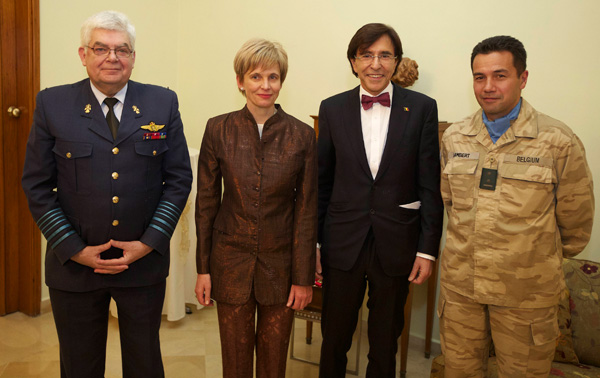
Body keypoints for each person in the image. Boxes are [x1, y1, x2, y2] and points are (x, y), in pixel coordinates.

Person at [21, 11, 192, 378]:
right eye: (101, 48)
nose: (112, 57)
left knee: (145, 364)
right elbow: (37, 185)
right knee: (80, 367)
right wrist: (75, 250)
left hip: (141, 267)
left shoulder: (162, 103)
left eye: (122, 50)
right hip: (75, 270)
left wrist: (147, 244)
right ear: (84, 54)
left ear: (133, 56)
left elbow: (177, 180)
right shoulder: (53, 104)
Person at [438, 35, 594, 378]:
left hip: (526, 295)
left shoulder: (557, 141)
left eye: (500, 75)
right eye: (480, 77)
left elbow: (576, 224)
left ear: (522, 79)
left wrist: (529, 256)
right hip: (463, 291)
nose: (488, 86)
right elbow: (450, 202)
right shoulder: (456, 137)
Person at [317, 23, 444, 377]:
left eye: (385, 55)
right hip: (342, 243)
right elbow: (321, 183)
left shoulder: (421, 109)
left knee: (385, 341)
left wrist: (426, 249)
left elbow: (429, 186)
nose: (376, 64)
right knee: (335, 340)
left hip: (397, 243)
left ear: (397, 62)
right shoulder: (331, 109)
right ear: (354, 62)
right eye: (367, 55)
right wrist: (313, 243)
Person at [194, 38, 317, 378]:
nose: (265, 85)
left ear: (282, 81)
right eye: (256, 76)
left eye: (273, 77)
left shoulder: (302, 136)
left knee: (274, 362)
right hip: (229, 262)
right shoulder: (218, 129)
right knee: (234, 361)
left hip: (282, 267)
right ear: (240, 81)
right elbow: (206, 203)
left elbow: (306, 212)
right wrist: (202, 269)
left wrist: (304, 278)